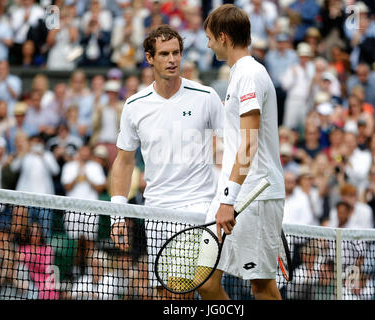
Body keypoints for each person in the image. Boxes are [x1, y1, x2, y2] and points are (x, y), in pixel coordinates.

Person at [109, 25, 223, 298]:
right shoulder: (135, 105)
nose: (172, 59)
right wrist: (117, 214)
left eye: (176, 53)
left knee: (196, 290)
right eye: (164, 54)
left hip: (200, 208)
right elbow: (124, 162)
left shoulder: (207, 97)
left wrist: (227, 199)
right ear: (149, 58)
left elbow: (233, 148)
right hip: (157, 212)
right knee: (166, 296)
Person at [200, 4, 285, 300]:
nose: (207, 44)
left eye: (210, 37)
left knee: (261, 286)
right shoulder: (239, 74)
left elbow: (248, 145)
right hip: (234, 194)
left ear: (223, 37)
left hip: (254, 196)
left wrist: (228, 199)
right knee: (205, 281)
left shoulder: (249, 74)